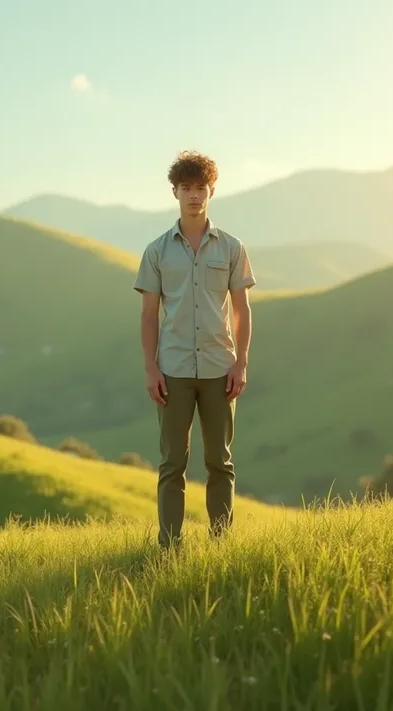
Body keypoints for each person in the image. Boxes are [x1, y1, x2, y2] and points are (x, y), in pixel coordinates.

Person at [133, 150, 256, 548]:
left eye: (200, 187)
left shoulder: (232, 248)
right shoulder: (156, 251)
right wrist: (151, 370)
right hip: (173, 370)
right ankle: (169, 547)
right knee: (172, 464)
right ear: (175, 192)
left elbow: (242, 309)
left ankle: (221, 544)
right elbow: (149, 315)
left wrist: (241, 362)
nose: (193, 195)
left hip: (221, 367)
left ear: (212, 190)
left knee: (220, 461)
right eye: (185, 187)